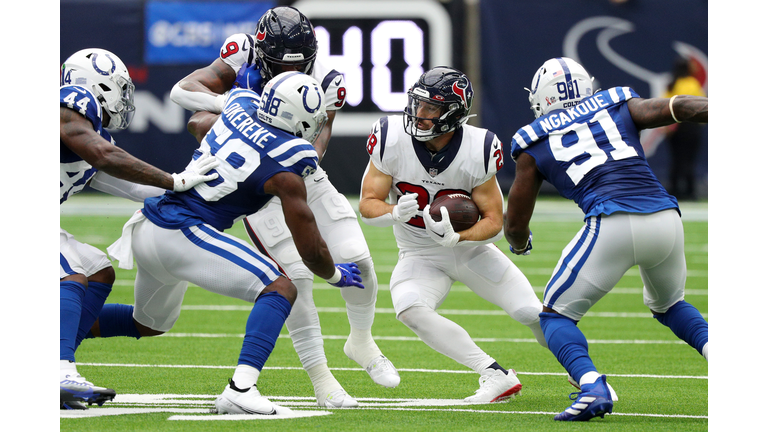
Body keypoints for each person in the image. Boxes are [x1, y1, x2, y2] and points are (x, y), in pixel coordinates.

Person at [168, 6, 399, 408]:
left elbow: (321, 134)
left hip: (298, 172)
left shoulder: (327, 79)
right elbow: (184, 95)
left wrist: (292, 159)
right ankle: (323, 381)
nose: (283, 72)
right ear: (260, 53)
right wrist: (240, 112)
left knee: (358, 258)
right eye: (274, 64)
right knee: (298, 278)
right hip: (254, 187)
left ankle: (361, 341)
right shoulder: (240, 56)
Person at [104, 72, 365, 415]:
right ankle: (241, 388)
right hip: (183, 233)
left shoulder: (241, 102)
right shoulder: (293, 156)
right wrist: (334, 275)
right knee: (281, 287)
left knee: (148, 323)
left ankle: (60, 335)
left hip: (148, 225)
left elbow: (198, 121)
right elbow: (309, 244)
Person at [504, 57, 709, 421]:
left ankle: (592, 385)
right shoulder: (615, 101)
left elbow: (516, 222)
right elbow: (679, 108)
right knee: (670, 305)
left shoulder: (531, 139)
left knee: (554, 316)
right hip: (665, 218)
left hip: (611, 221)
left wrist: (519, 244)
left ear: (541, 99)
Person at [359, 66, 548, 403]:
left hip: (470, 252)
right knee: (409, 308)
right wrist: (393, 212)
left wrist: (459, 238)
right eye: (418, 104)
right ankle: (494, 375)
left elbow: (494, 220)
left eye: (430, 107)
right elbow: (368, 205)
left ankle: (587, 375)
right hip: (419, 254)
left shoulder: (479, 146)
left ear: (452, 113)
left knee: (531, 313)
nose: (419, 114)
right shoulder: (390, 137)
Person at [59, 48, 219, 410]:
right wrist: (173, 179)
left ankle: (54, 354)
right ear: (94, 84)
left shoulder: (88, 136)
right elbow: (105, 157)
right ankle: (58, 369)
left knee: (97, 269)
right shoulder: (72, 101)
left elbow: (135, 187)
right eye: (119, 88)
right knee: (69, 272)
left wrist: (202, 189)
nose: (125, 99)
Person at [664, 56, 706, 200]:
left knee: (676, 160)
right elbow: (703, 106)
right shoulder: (692, 84)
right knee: (689, 160)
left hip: (674, 128)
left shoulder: (671, 84)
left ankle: (674, 190)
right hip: (691, 127)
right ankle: (690, 191)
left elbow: (663, 107)